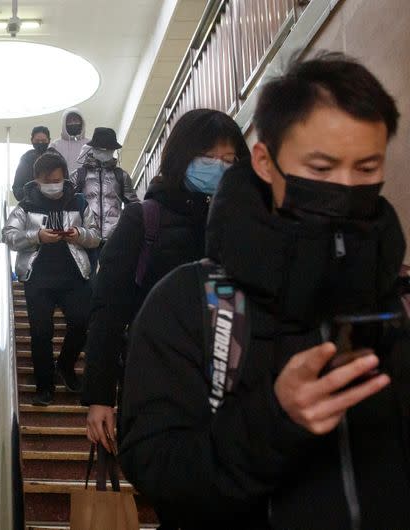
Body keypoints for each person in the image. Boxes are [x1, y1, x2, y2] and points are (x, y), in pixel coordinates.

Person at [119, 54, 410, 529]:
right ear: (265, 162)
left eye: (366, 168)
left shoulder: (398, 296)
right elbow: (157, 466)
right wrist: (276, 419)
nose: (344, 188)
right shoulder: (191, 301)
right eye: (321, 167)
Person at [82, 109, 249, 456]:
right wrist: (100, 397)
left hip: (236, 387)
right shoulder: (143, 220)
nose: (219, 167)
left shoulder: (247, 225)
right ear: (180, 157)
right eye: (207, 157)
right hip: (159, 384)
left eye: (229, 160)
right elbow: (108, 311)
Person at [3, 152, 100, 406]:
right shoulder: (25, 205)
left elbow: (95, 235)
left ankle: (66, 366)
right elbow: (10, 236)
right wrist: (38, 236)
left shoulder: (79, 202)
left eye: (57, 179)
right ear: (36, 180)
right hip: (38, 278)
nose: (53, 184)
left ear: (65, 177)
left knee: (81, 323)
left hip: (75, 275)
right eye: (47, 180)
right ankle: (44, 386)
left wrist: (78, 233)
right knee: (40, 332)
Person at [71, 127, 140, 249]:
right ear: (93, 149)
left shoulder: (121, 176)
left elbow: (134, 206)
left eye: (108, 149)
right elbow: (68, 205)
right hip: (85, 238)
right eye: (101, 149)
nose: (105, 152)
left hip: (115, 240)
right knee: (87, 268)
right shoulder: (78, 175)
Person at [12, 125, 51, 201]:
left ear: (49, 140)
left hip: (53, 206)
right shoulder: (25, 159)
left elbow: (65, 185)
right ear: (32, 140)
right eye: (37, 141)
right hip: (30, 206)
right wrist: (30, 194)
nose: (40, 143)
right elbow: (17, 188)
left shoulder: (56, 157)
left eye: (43, 141)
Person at [51, 108, 89, 174]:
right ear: (64, 124)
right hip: (64, 183)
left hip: (85, 183)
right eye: (69, 121)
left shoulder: (89, 144)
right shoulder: (55, 145)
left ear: (81, 122)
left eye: (75, 120)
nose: (73, 123)